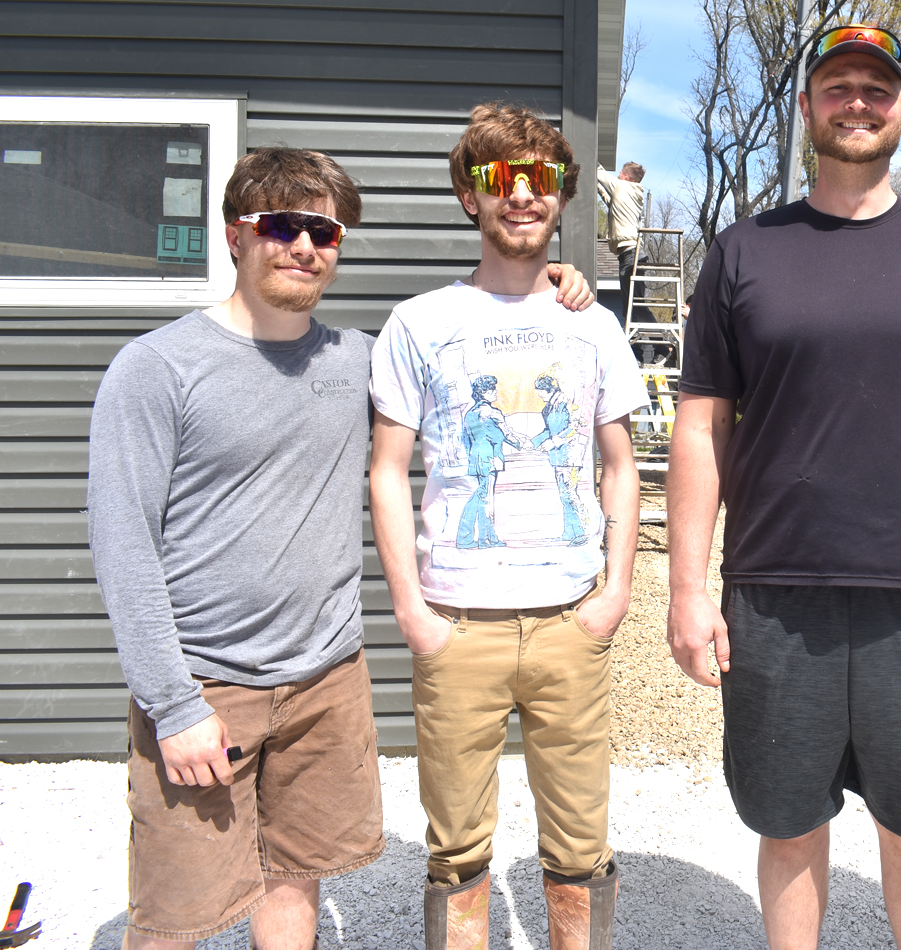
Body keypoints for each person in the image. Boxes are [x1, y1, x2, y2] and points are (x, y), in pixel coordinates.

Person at [87, 146, 593, 950]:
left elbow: (472, 333)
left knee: (297, 879)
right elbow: (124, 548)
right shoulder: (156, 370)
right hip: (207, 683)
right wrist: (173, 705)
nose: (304, 247)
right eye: (282, 226)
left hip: (325, 680)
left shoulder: (356, 360)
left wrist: (551, 283)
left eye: (324, 233)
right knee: (176, 912)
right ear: (235, 235)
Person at [666, 25, 901, 950]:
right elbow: (702, 426)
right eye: (838, 86)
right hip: (776, 592)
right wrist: (687, 589)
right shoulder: (744, 251)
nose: (857, 102)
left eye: (876, 88)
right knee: (789, 824)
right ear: (807, 108)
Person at [369, 102, 647, 950]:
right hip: (458, 623)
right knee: (455, 846)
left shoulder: (591, 322)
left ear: (561, 195)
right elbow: (387, 469)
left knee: (581, 841)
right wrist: (412, 611)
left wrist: (616, 592)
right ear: (471, 195)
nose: (522, 195)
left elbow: (621, 465)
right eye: (502, 178)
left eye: (541, 178)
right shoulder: (420, 322)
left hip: (571, 622)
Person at [596, 160, 647, 306]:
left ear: (626, 176)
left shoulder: (621, 186)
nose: (618, 175)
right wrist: (599, 189)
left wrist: (594, 160)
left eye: (620, 172)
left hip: (631, 255)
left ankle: (651, 323)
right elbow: (612, 203)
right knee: (630, 305)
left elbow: (600, 173)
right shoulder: (631, 193)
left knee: (635, 306)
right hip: (632, 254)